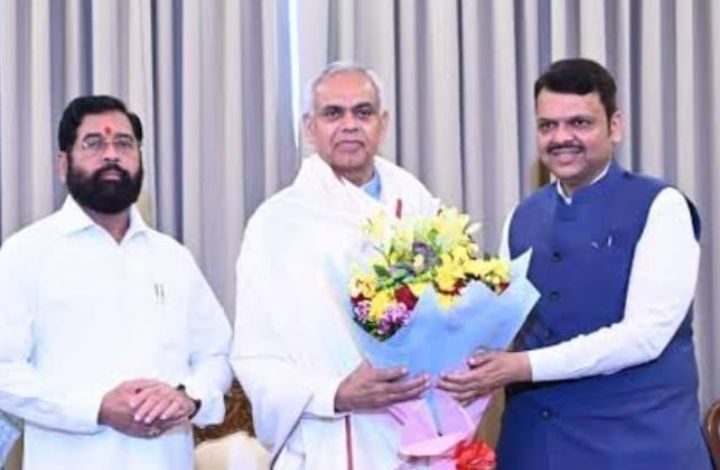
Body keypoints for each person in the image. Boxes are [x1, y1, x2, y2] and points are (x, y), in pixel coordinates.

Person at [438, 58, 712, 469]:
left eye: (579, 123)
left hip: (637, 447)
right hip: (534, 447)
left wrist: (520, 366)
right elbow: (504, 325)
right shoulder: (522, 215)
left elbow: (645, 336)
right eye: (547, 125)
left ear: (614, 126)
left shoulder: (660, 206)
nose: (561, 137)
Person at [0, 95, 233, 470]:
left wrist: (188, 397)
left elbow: (216, 355)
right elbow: (4, 370)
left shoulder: (173, 257)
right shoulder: (25, 253)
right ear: (63, 163)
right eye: (93, 143)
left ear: (140, 159)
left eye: (124, 143)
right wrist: (96, 408)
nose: (111, 154)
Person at [231, 62, 439, 469]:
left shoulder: (419, 207)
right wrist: (334, 394)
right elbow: (255, 355)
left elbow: (454, 317)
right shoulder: (275, 224)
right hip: (322, 442)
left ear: (383, 123)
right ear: (310, 128)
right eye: (333, 113)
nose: (349, 125)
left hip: (417, 442)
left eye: (363, 112)